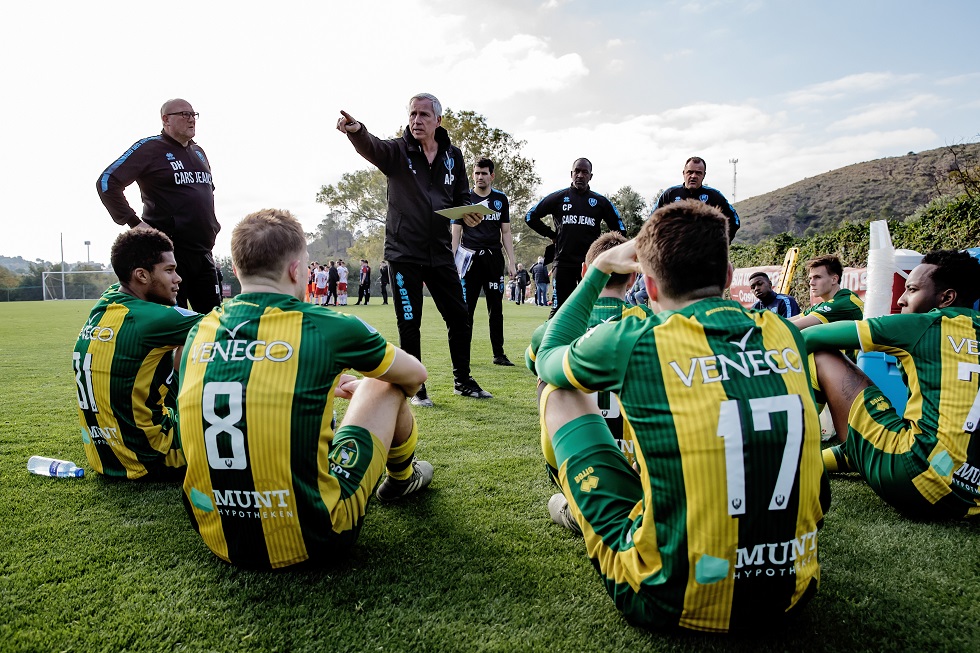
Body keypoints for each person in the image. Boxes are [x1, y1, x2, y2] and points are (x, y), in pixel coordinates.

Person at [535, 199, 827, 632]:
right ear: (728, 278)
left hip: (668, 598)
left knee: (559, 392)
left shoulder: (637, 337)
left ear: (649, 287)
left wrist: (598, 271)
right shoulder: (782, 331)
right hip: (793, 589)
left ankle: (582, 511)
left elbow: (547, 358)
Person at [178, 209, 433, 569]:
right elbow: (415, 375)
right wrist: (360, 387)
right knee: (384, 381)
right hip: (314, 536)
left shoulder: (199, 331)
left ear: (236, 270)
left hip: (218, 535)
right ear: (297, 270)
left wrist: (320, 382)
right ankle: (403, 478)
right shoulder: (326, 325)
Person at [337, 94, 491, 405]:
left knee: (460, 316)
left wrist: (470, 213)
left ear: (438, 121)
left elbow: (462, 196)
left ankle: (463, 380)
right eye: (412, 114)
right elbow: (373, 146)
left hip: (439, 252)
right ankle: (416, 388)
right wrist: (356, 130)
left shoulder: (453, 156)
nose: (416, 120)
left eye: (423, 115)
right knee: (410, 321)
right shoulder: (397, 151)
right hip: (403, 253)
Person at [805, 250, 980, 519]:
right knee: (892, 431)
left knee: (822, 354)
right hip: (972, 495)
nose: (901, 298)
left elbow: (809, 336)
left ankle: (787, 446)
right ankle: (811, 461)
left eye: (911, 289)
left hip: (919, 481)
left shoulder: (923, 324)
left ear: (946, 298)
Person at [526, 231, 654, 518]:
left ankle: (578, 504)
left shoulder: (550, 331)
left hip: (574, 462)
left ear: (586, 271)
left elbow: (532, 362)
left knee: (548, 379)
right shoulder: (653, 325)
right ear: (633, 278)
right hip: (641, 464)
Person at [73, 228, 203, 479]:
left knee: (182, 343)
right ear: (141, 275)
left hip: (103, 456)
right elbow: (229, 327)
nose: (178, 279)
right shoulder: (152, 319)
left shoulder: (106, 301)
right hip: (151, 455)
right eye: (169, 270)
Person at [97, 98, 222, 312]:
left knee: (214, 324)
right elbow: (107, 182)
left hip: (203, 254)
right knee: (172, 324)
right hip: (168, 257)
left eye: (194, 114)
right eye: (184, 114)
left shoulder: (199, 152)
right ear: (166, 120)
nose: (191, 119)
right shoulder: (150, 148)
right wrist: (134, 223)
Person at [525, 158, 625, 316]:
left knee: (590, 309)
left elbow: (620, 229)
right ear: (571, 174)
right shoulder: (558, 198)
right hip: (563, 263)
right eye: (577, 171)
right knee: (559, 310)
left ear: (590, 176)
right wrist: (551, 234)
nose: (580, 175)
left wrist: (608, 250)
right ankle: (549, 341)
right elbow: (530, 216)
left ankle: (589, 340)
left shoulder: (600, 201)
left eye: (584, 172)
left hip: (591, 265)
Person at [452, 157, 518, 366]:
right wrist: (452, 261)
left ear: (492, 175)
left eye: (484, 173)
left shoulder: (500, 199)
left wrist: (511, 261)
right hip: (469, 260)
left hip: (493, 260)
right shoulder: (464, 198)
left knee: (495, 309)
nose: (480, 177)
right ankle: (464, 355)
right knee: (465, 310)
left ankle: (498, 354)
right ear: (473, 175)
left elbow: (506, 232)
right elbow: (456, 231)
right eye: (477, 173)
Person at [654, 156, 740, 243]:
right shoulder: (669, 195)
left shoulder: (715, 196)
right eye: (690, 172)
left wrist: (722, 243)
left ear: (704, 175)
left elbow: (735, 221)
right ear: (684, 173)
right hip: (674, 253)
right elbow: (652, 221)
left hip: (705, 254)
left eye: (698, 173)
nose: (693, 176)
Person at [791, 255, 864, 329]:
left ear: (834, 279)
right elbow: (786, 322)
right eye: (810, 278)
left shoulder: (842, 303)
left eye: (818, 277)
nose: (811, 283)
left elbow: (791, 326)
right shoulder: (824, 304)